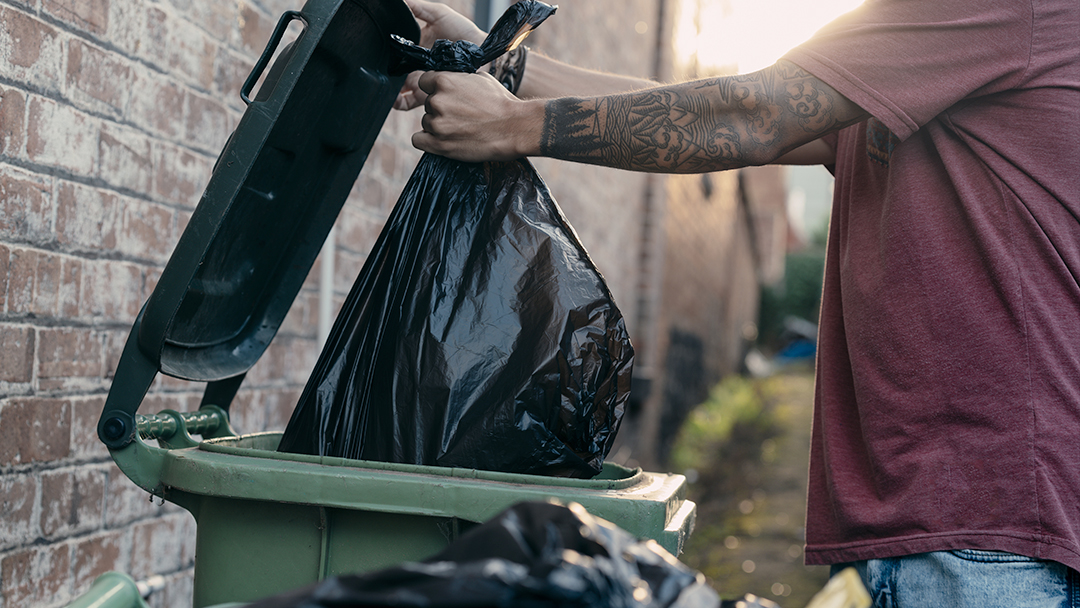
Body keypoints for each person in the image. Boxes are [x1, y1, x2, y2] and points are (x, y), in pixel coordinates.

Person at [395, 0, 1080, 606]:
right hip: (965, 517)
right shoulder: (943, 50)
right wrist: (500, 64)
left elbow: (755, 113)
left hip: (992, 520)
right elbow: (700, 104)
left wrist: (518, 127)